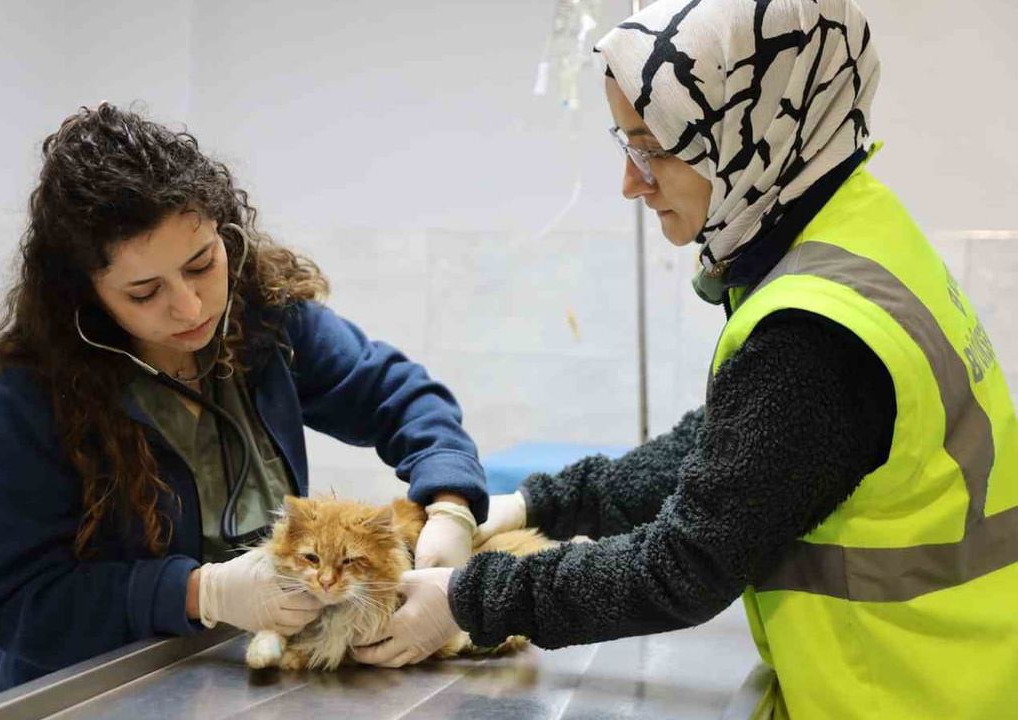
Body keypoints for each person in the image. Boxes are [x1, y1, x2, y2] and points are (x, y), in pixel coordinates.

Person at [351, 1, 1018, 717]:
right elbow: (727, 443)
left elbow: (682, 567)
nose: (632, 182)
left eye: (655, 148)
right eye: (627, 146)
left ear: (750, 128)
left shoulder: (815, 333)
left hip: (908, 694)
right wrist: (531, 504)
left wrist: (468, 601)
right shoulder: (856, 230)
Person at [0, 104, 488, 694]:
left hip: (242, 682)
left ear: (227, 234)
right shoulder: (17, 403)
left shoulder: (267, 324)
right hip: (100, 694)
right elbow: (22, 605)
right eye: (145, 292)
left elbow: (402, 397)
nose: (191, 308)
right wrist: (200, 592)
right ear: (84, 296)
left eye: (202, 264)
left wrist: (450, 503)